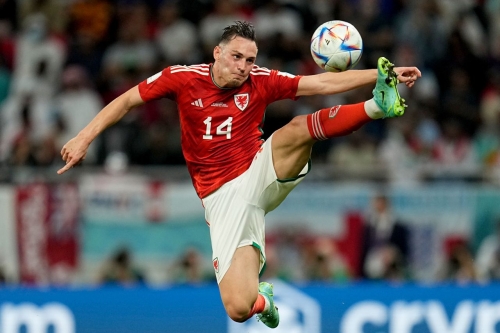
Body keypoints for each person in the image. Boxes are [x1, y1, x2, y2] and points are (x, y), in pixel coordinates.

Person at [58, 21, 421, 328]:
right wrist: (84, 137)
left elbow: (320, 85)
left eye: (250, 60)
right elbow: (127, 100)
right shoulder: (182, 79)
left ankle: (378, 104)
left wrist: (383, 74)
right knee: (238, 309)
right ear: (217, 53)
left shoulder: (260, 81)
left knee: (296, 129)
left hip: (257, 170)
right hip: (221, 200)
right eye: (237, 57)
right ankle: (263, 299)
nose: (244, 66)